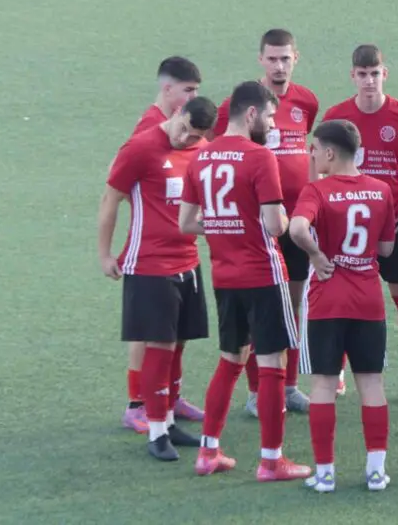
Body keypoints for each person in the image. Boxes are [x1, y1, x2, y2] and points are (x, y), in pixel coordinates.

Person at [177, 81, 312, 480]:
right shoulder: (259, 157)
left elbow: (186, 222)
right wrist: (280, 218)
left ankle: (208, 452)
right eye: (269, 116)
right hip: (263, 274)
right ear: (251, 113)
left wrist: (225, 225)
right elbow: (274, 226)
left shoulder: (201, 157)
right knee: (272, 363)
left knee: (230, 360)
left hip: (225, 274)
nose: (272, 124)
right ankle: (271, 461)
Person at [97, 96, 217, 461]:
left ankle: (168, 421)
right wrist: (105, 254)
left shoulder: (203, 151)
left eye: (194, 136)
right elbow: (110, 199)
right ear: (178, 113)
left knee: (179, 344)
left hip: (188, 262)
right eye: (184, 130)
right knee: (160, 346)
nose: (185, 139)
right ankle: (155, 432)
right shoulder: (140, 147)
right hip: (149, 264)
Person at [320, 45, 398, 404]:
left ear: (384, 74)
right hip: (348, 223)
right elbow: (318, 162)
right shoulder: (337, 117)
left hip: (394, 222)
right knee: (342, 298)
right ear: (352, 76)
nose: (369, 81)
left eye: (374, 73)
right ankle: (338, 374)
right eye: (362, 74)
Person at [214, 29, 318, 415]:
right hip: (257, 225)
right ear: (261, 59)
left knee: (293, 306)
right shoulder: (239, 105)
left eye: (285, 58)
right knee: (259, 312)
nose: (279, 66)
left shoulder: (306, 101)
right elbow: (219, 151)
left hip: (296, 221)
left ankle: (288, 387)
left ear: (296, 58)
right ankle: (258, 392)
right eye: (272, 58)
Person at [288, 119, 396, 492]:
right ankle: (376, 471)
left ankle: (325, 473)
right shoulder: (381, 190)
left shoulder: (316, 190)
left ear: (330, 153)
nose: (312, 154)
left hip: (327, 300)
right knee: (372, 383)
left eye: (315, 149)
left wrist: (317, 255)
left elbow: (296, 229)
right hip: (368, 300)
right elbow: (386, 248)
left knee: (323, 384)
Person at [118, 56, 206, 434]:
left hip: (180, 251)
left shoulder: (182, 127)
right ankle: (137, 403)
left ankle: (169, 397)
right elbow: (120, 183)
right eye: (188, 90)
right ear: (167, 89)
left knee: (175, 333)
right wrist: (157, 214)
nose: (192, 98)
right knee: (150, 332)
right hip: (151, 252)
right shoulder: (150, 127)